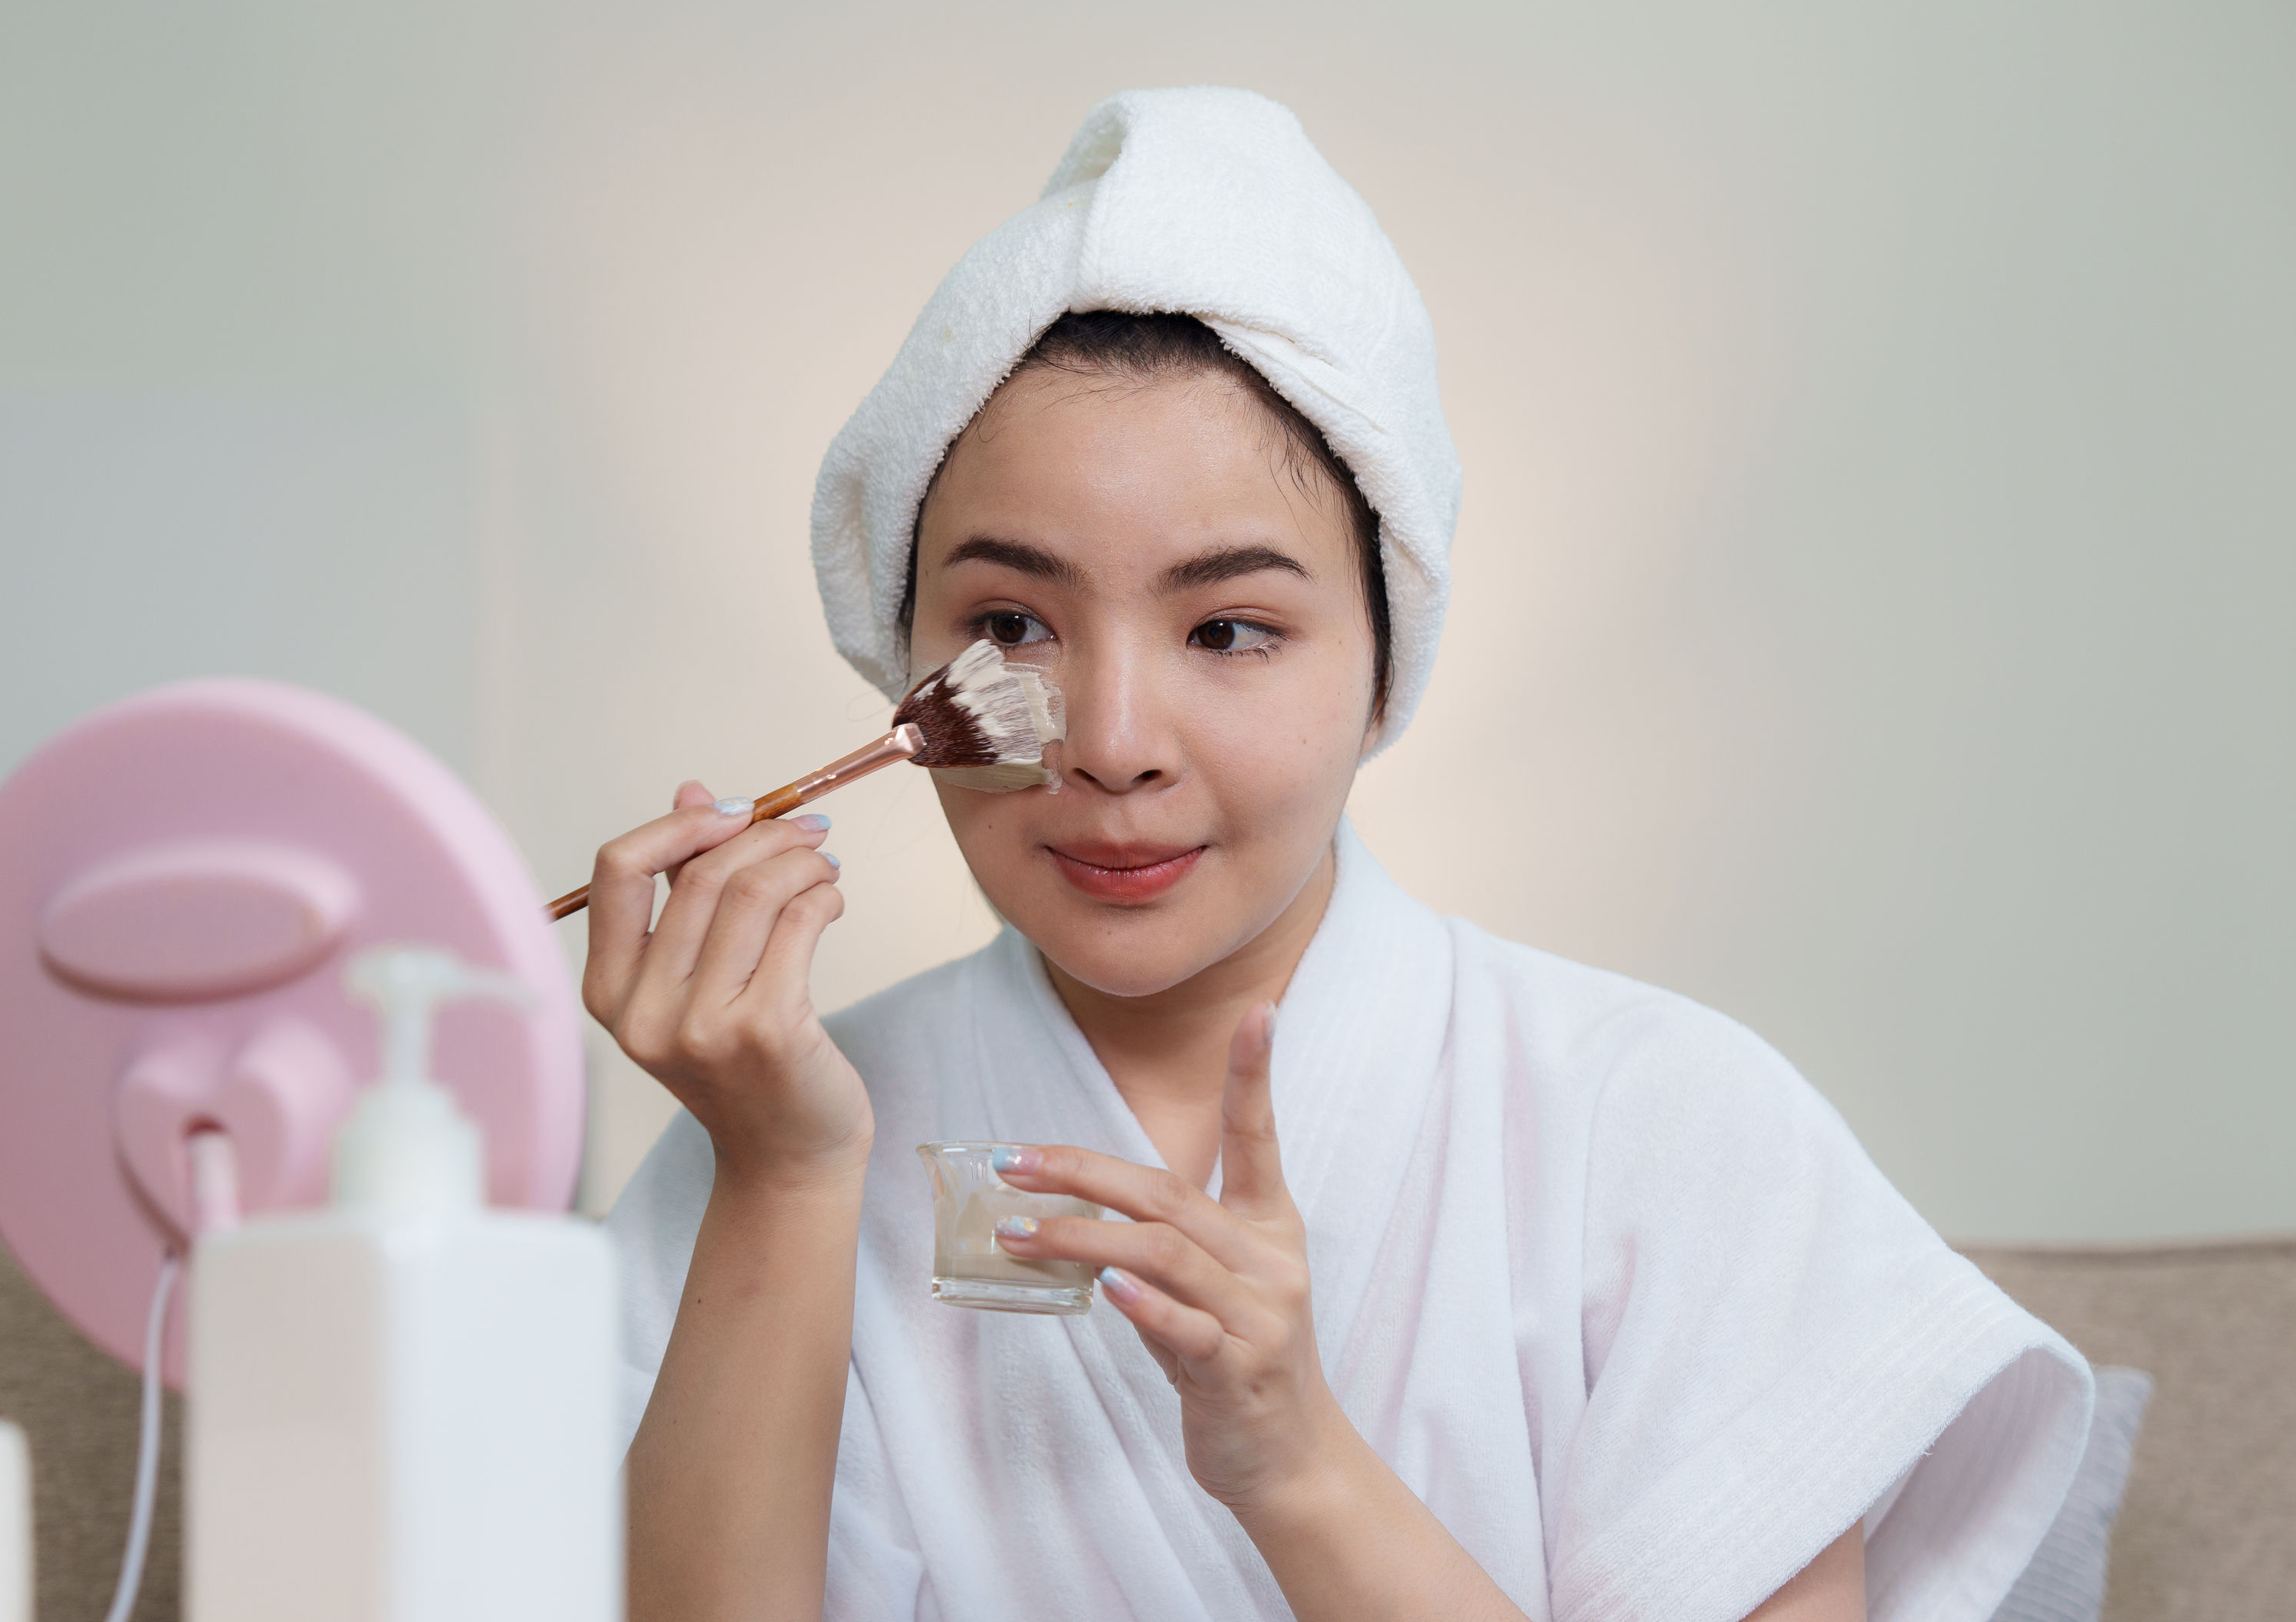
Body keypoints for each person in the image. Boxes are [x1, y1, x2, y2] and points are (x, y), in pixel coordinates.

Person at [592, 88, 2091, 1622]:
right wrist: (781, 1178)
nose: (1112, 741)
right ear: (908, 661)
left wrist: (1299, 1466)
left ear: (1386, 666)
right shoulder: (766, 1142)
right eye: (1012, 623)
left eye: (1230, 629)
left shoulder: (1671, 1128)